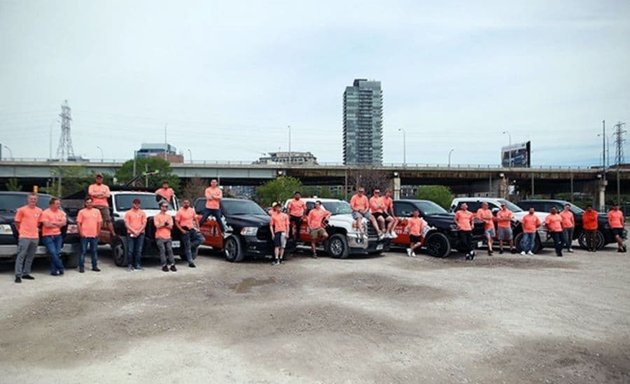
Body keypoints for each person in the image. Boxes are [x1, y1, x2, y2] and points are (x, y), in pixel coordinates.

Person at [14, 194, 42, 283]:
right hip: (24, 236)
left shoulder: (39, 210)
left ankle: (26, 273)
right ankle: (18, 275)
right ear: (28, 199)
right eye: (31, 199)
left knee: (30, 256)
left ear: (37, 200)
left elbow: (39, 223)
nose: (33, 200)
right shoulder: (22, 210)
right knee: (21, 255)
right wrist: (21, 231)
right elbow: (17, 222)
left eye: (34, 199)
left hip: (35, 237)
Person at [40, 197, 67, 276]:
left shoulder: (61, 212)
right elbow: (46, 224)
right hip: (47, 236)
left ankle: (54, 271)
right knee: (53, 252)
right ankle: (61, 267)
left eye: (59, 203)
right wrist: (58, 224)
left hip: (58, 235)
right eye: (57, 204)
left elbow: (64, 223)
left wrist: (53, 223)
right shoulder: (45, 213)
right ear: (51, 204)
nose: (59, 205)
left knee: (57, 253)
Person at [175, 199, 204, 268]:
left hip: (192, 228)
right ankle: (190, 261)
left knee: (201, 239)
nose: (186, 204)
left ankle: (189, 246)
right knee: (187, 245)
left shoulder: (191, 210)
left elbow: (196, 219)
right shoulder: (180, 211)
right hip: (184, 229)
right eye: (185, 203)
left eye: (187, 203)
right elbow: (176, 222)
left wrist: (198, 228)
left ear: (189, 203)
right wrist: (182, 230)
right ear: (182, 203)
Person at [76, 197, 102, 273]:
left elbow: (99, 222)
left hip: (94, 235)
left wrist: (98, 232)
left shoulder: (97, 211)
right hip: (84, 235)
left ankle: (94, 266)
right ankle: (81, 267)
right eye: (87, 202)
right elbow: (78, 223)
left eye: (90, 202)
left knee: (94, 251)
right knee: (83, 251)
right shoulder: (81, 212)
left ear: (93, 203)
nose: (89, 204)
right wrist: (80, 232)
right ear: (85, 203)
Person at [88, 173, 114, 238]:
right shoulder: (92, 186)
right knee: (93, 220)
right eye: (98, 178)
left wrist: (96, 194)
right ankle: (92, 232)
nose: (99, 179)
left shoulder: (106, 187)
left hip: (104, 205)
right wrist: (102, 194)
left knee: (108, 219)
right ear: (96, 179)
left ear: (102, 179)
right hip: (94, 205)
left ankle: (113, 233)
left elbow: (108, 195)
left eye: (100, 178)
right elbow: (90, 193)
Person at [124, 198, 147, 271]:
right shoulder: (128, 213)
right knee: (130, 250)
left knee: (139, 250)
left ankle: (137, 264)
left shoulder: (142, 213)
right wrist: (134, 231)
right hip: (131, 233)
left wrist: (139, 231)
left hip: (141, 233)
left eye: (138, 204)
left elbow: (144, 223)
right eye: (135, 203)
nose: (137, 205)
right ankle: (130, 265)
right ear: (132, 204)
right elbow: (126, 224)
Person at [154, 201, 177, 272]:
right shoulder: (156, 216)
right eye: (163, 206)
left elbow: (171, 226)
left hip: (168, 236)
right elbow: (157, 226)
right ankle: (164, 265)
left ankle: (172, 264)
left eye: (166, 207)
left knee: (170, 250)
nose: (165, 208)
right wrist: (164, 224)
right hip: (159, 236)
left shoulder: (169, 216)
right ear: (160, 207)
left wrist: (164, 225)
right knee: (162, 250)